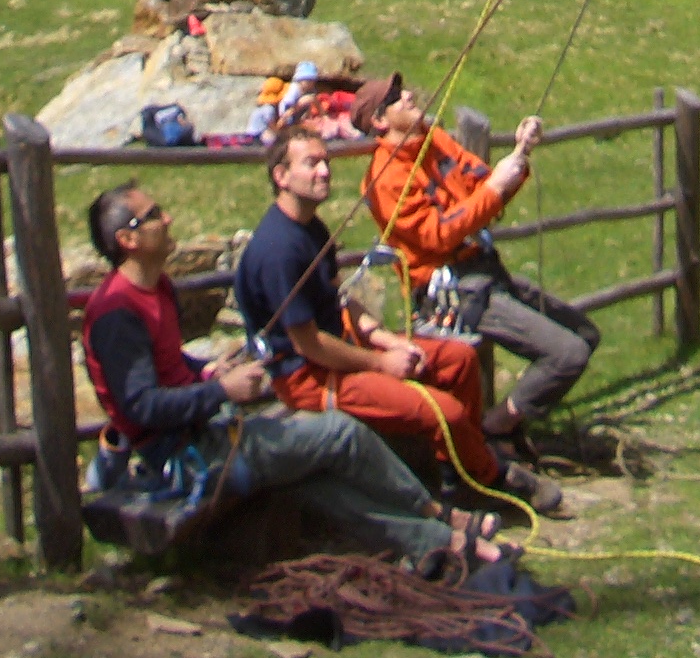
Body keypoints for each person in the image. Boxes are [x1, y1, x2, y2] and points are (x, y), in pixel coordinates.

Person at [78, 181, 499, 569]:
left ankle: (436, 543)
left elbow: (167, 365)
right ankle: (438, 515)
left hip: (207, 432)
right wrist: (221, 389)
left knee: (317, 481)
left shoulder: (157, 288)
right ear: (128, 240)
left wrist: (203, 369)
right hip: (185, 459)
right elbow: (141, 406)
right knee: (340, 433)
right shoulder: (117, 313)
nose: (167, 219)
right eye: (154, 215)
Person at [235, 124, 566, 516]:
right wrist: (380, 363)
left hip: (340, 351)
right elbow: (309, 343)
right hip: (307, 377)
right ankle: (493, 477)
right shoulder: (278, 250)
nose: (325, 171)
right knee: (445, 411)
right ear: (281, 176)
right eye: (311, 164)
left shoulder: (312, 229)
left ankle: (457, 476)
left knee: (459, 360)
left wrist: (387, 340)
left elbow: (341, 301)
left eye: (325, 161)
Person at [356, 72, 600, 443]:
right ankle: (495, 430)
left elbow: (482, 186)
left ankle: (513, 423)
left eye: (402, 89)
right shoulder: (386, 178)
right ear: (379, 120)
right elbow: (438, 235)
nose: (408, 95)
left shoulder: (434, 140)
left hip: (484, 271)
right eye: (395, 97)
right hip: (454, 291)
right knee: (568, 353)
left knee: (584, 334)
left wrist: (520, 155)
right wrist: (494, 189)